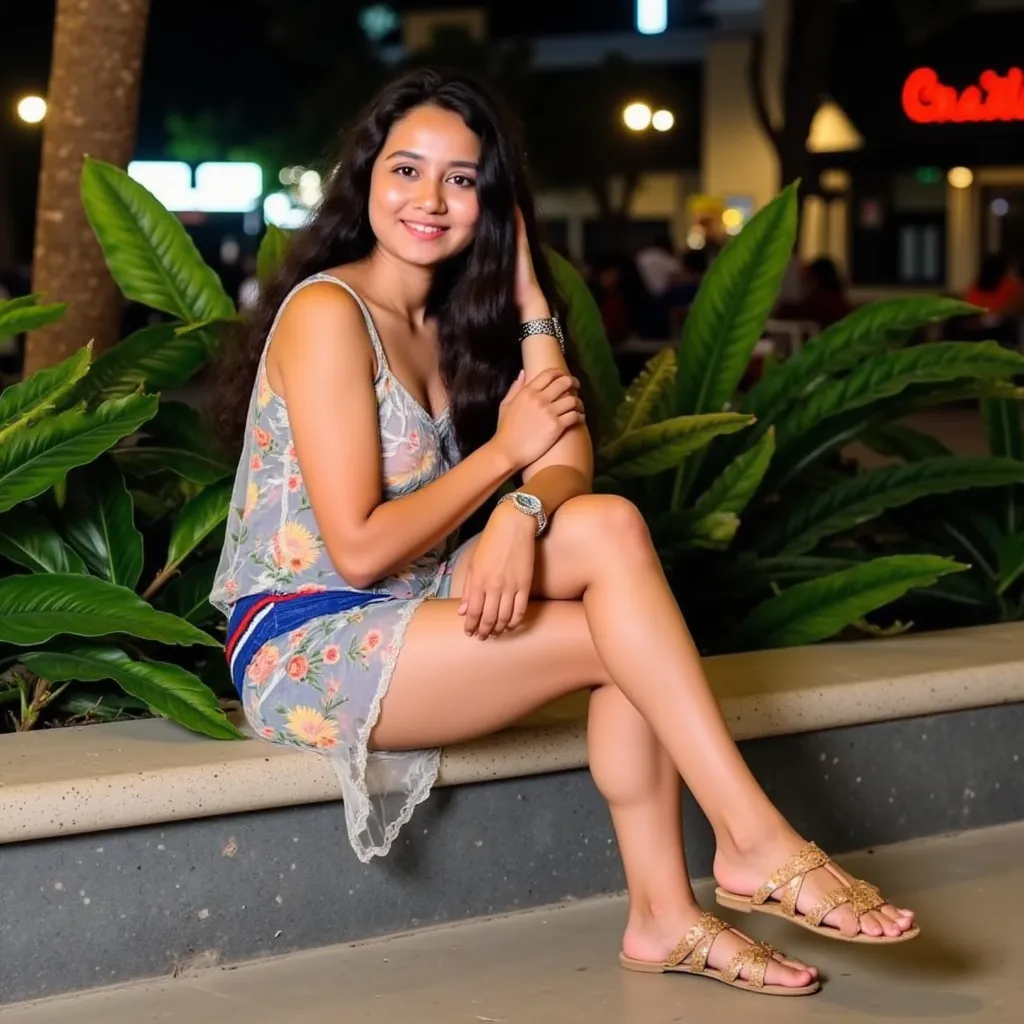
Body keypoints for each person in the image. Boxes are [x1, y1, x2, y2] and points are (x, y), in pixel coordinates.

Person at [211, 69, 917, 998]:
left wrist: (526, 317)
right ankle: (733, 854)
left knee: (608, 526)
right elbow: (360, 548)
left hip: (417, 598)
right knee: (626, 643)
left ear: (492, 201)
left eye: (462, 180)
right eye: (406, 169)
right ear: (365, 177)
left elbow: (568, 455)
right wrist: (505, 457)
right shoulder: (328, 314)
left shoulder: (455, 314)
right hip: (309, 633)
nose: (430, 199)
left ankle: (697, 890)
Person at [778, 256, 852, 329]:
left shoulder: (821, 301)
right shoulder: (837, 299)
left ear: (815, 278)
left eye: (806, 278)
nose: (803, 281)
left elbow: (797, 313)